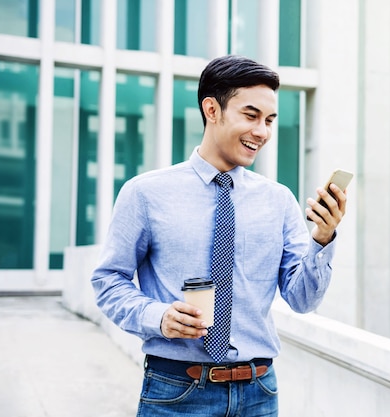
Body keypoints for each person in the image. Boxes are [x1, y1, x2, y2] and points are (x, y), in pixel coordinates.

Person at [91, 54, 348, 417]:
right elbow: (108, 281)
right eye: (251, 115)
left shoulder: (278, 201)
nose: (263, 131)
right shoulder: (145, 194)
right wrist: (157, 316)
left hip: (259, 392)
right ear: (212, 110)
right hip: (176, 392)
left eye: (270, 120)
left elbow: (302, 299)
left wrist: (322, 238)